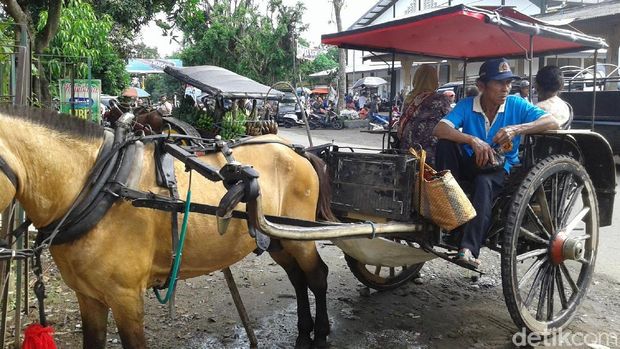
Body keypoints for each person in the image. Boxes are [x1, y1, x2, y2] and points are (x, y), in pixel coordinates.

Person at [432, 58, 560, 268]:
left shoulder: (516, 104)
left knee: (484, 182)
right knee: (445, 144)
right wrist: (472, 140)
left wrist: (516, 129)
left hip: (499, 168)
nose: (506, 88)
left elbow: (552, 121)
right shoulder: (467, 105)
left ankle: (468, 249)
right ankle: (449, 210)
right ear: (482, 86)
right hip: (469, 164)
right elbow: (440, 129)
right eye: (500, 83)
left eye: (509, 83)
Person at [399, 64, 452, 164]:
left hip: (407, 148)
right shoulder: (440, 99)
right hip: (429, 151)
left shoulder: (410, 98)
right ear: (434, 81)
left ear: (416, 79)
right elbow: (450, 121)